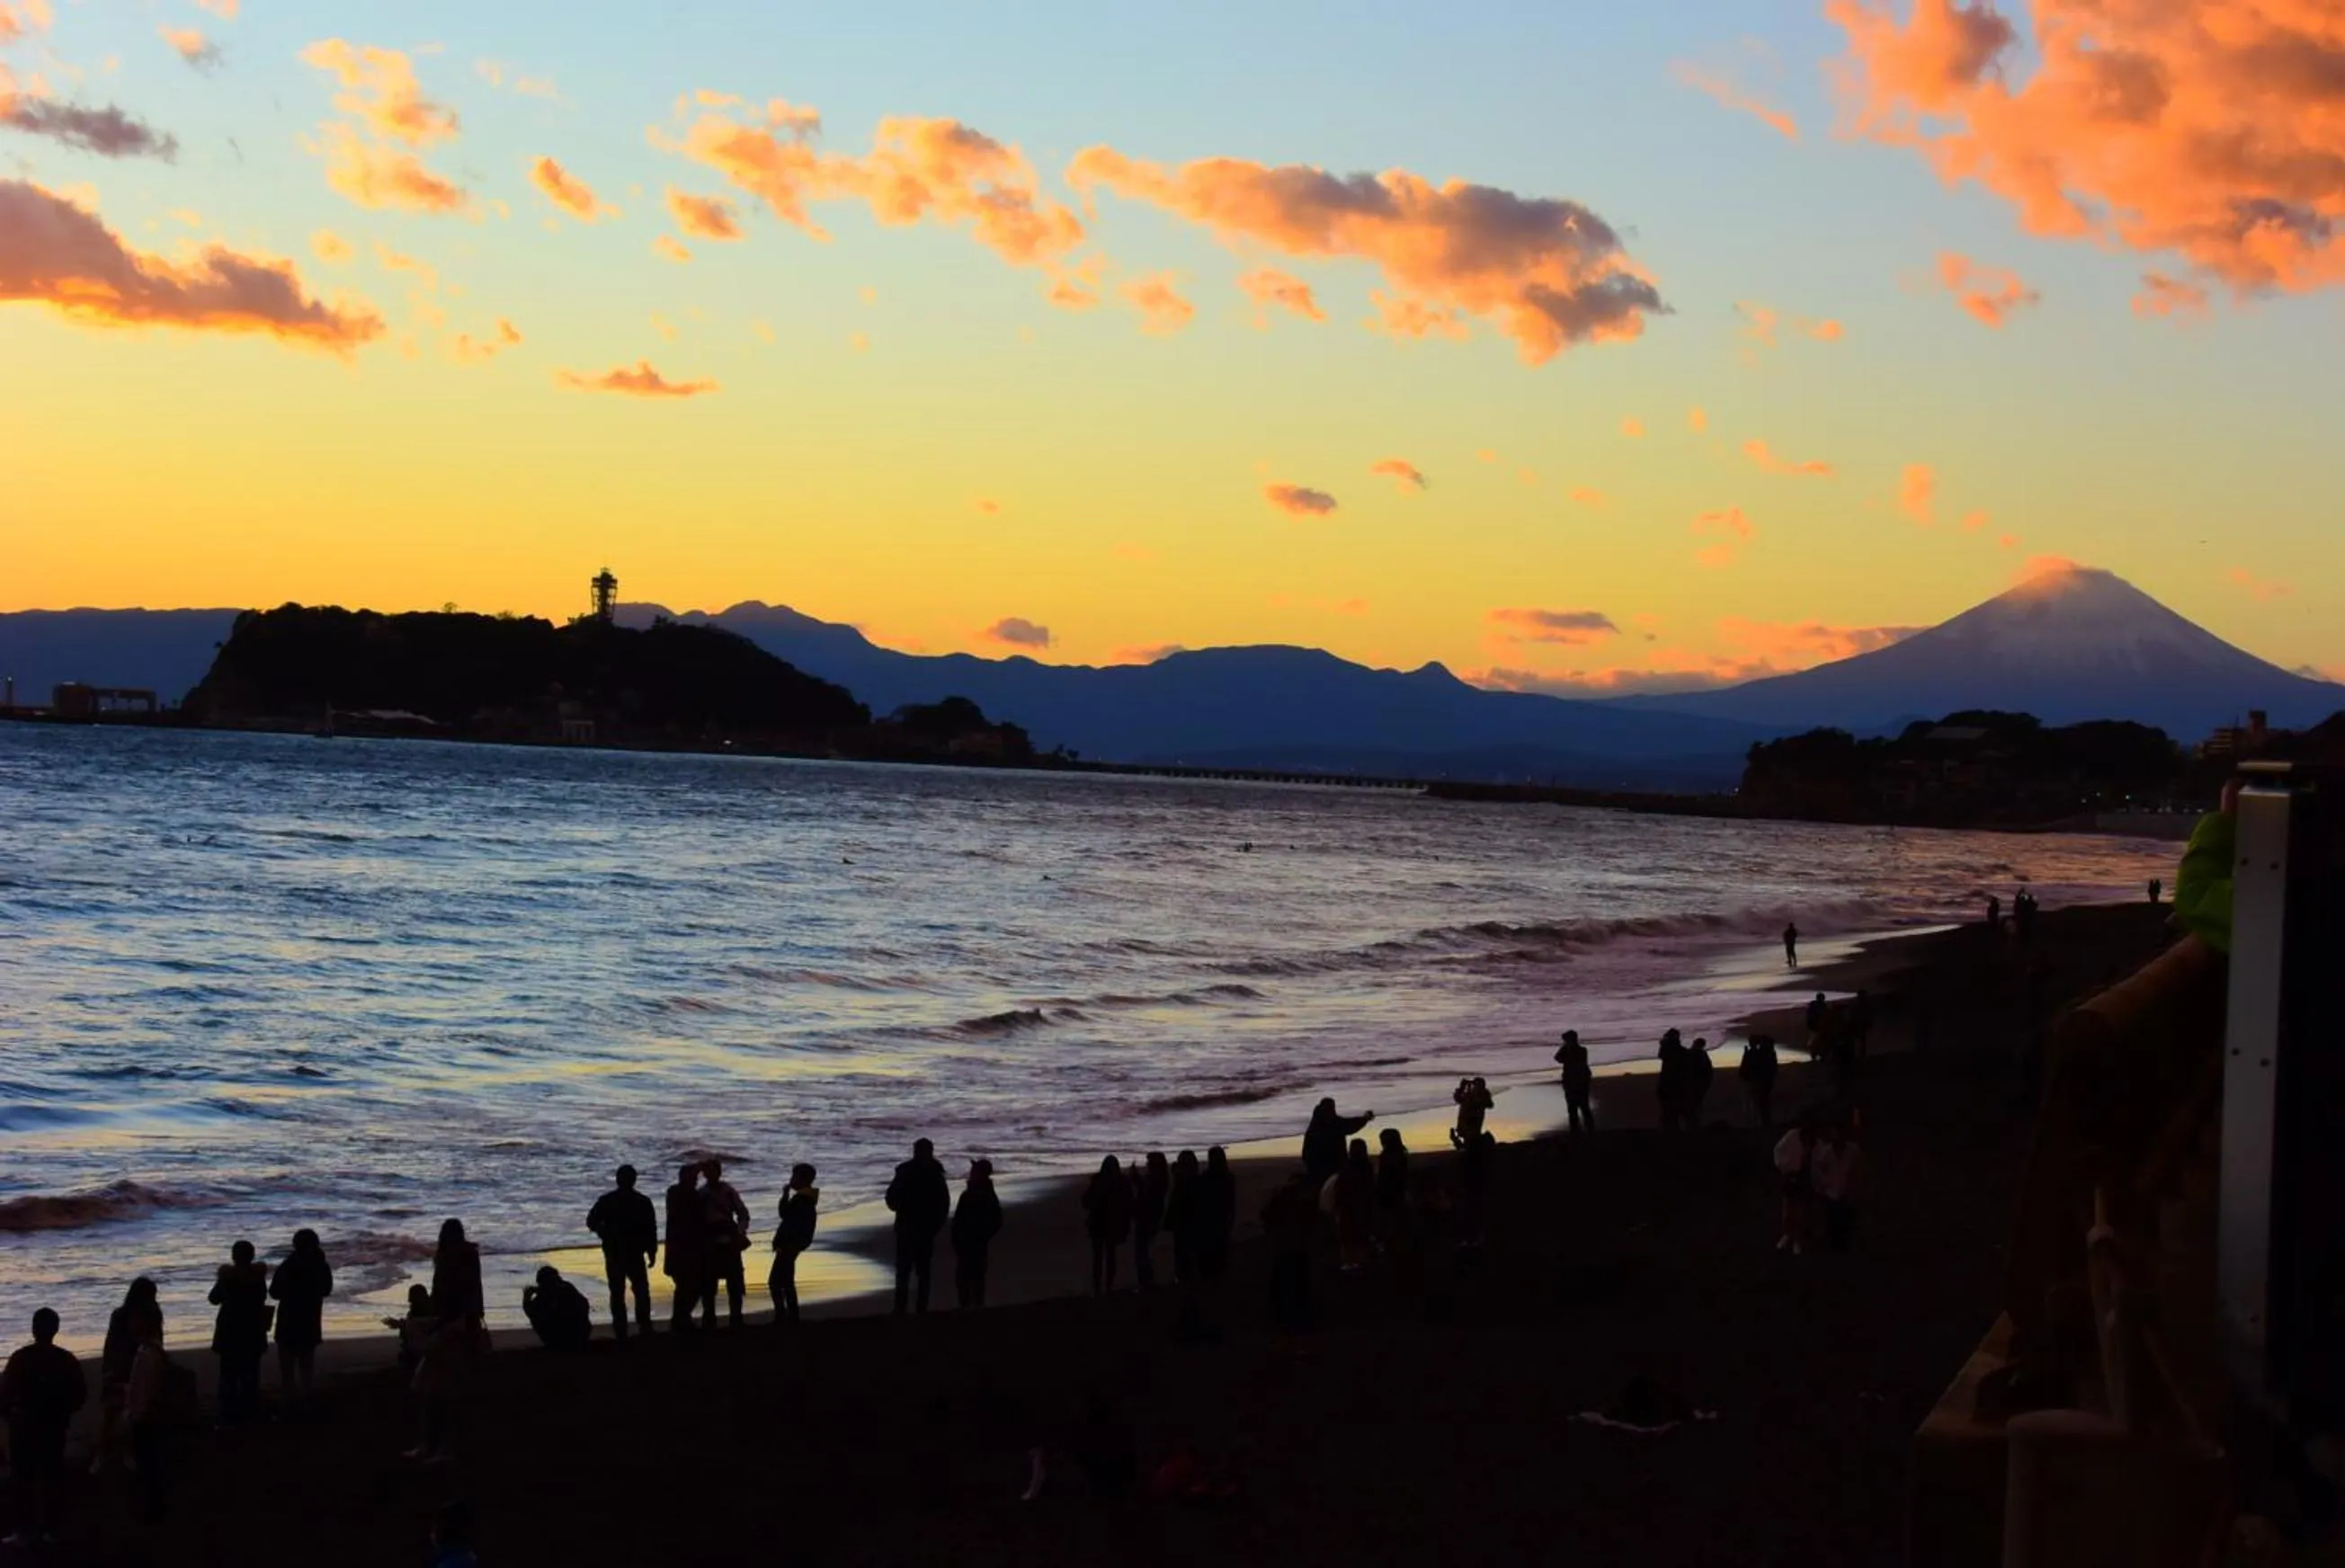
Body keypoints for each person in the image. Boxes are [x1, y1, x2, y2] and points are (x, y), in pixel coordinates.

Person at [2, 1309, 86, 1547]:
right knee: (52, 1477)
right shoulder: (66, 1359)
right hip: (53, 1426)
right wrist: (62, 1411)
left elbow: (5, 1394)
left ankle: (23, 1530)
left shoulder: (20, 1358)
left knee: (22, 1479)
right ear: (56, 1330)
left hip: (24, 1427)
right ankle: (51, 1529)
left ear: (33, 1329)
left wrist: (9, 1415)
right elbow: (79, 1395)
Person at [94, 1276, 162, 1474]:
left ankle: (118, 1453)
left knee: (130, 1412)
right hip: (123, 1364)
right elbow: (112, 1344)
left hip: (137, 1363)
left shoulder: (149, 1314)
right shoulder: (124, 1316)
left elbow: (156, 1340)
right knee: (114, 1413)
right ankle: (106, 1453)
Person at [586, 1163, 658, 1342]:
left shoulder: (608, 1200)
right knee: (639, 1290)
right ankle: (643, 1325)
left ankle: (622, 1329)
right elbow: (651, 1230)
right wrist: (652, 1251)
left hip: (617, 1252)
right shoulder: (642, 1201)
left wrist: (603, 1233)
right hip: (629, 1252)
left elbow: (591, 1221)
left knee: (619, 1291)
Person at [270, 1228, 334, 1412]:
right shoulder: (322, 1266)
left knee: (287, 1366)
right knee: (307, 1364)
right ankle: (307, 1400)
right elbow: (326, 1290)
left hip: (288, 1316)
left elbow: (274, 1293)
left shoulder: (287, 1265)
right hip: (310, 1317)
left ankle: (288, 1401)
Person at [885, 1137, 951, 1315]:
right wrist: (936, 1225)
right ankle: (919, 1308)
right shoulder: (935, 1173)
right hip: (921, 1228)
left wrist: (899, 1207)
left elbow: (891, 1197)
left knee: (905, 1271)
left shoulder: (907, 1171)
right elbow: (943, 1204)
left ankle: (902, 1308)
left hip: (910, 1227)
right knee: (920, 1272)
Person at [209, 1238, 271, 1426]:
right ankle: (250, 1409)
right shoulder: (257, 1277)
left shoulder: (227, 1278)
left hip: (229, 1329)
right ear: (252, 1256)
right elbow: (262, 1297)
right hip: (252, 1328)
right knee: (251, 1372)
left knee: (228, 1372)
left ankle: (228, 1412)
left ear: (233, 1256)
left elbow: (213, 1299)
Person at [1260, 1172, 1319, 1347]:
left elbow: (1267, 1216)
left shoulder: (1284, 1196)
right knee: (1298, 1284)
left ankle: (1283, 1323)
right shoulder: (1305, 1199)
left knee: (1283, 1285)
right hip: (1297, 1247)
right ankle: (1298, 1322)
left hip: (1285, 1247)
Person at [122, 1317, 172, 1524]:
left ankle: (153, 1506)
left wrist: (138, 1411)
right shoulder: (150, 1351)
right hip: (145, 1412)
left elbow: (147, 1387)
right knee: (149, 1461)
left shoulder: (148, 1354)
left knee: (148, 1461)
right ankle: (153, 1503)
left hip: (145, 1414)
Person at [701, 1157, 753, 1330]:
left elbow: (743, 1214)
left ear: (718, 1172)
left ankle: (736, 1319)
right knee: (709, 1285)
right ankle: (709, 1320)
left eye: (712, 1170)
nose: (709, 1174)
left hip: (729, 1240)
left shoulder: (728, 1191)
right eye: (707, 1171)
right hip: (710, 1241)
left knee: (735, 1283)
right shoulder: (701, 1194)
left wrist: (739, 1233)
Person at [947, 1158, 1002, 1309]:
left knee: (970, 1279)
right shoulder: (976, 1192)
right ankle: (973, 1308)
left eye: (974, 1171)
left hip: (973, 1243)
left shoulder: (980, 1194)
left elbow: (996, 1221)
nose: (971, 1173)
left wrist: (981, 1236)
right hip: (968, 1243)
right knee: (969, 1279)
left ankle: (971, 1309)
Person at [664, 1163, 712, 1332]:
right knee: (690, 1286)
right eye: (693, 1177)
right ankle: (681, 1318)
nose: (696, 1181)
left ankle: (680, 1318)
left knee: (685, 1286)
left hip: (680, 1247)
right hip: (687, 1248)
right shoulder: (688, 1195)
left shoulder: (676, 1193)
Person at [770, 1163, 820, 1324]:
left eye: (794, 1177)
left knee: (776, 1281)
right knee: (786, 1280)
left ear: (803, 1179)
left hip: (789, 1244)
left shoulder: (801, 1200)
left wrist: (785, 1195)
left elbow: (784, 1214)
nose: (791, 1180)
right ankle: (790, 1314)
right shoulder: (806, 1199)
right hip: (793, 1244)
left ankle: (783, 1315)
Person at [1083, 1155, 1134, 1297]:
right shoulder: (1122, 1182)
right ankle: (1108, 1286)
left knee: (1097, 1258)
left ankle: (1098, 1289)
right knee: (1110, 1255)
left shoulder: (1098, 1180)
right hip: (1113, 1224)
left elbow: (1086, 1202)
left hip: (1098, 1224)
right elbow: (1128, 1203)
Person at [1814, 1118, 1862, 1252]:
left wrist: (1854, 1191)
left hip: (1848, 1194)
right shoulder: (1825, 1153)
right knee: (1833, 1227)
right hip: (1831, 1195)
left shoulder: (1853, 1151)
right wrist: (1822, 1190)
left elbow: (1857, 1172)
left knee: (1847, 1225)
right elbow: (1818, 1173)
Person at [1301, 1098, 1374, 1186]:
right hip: (1334, 1166)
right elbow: (1350, 1125)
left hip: (1316, 1168)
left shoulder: (1314, 1126)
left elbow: (1305, 1153)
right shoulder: (1334, 1123)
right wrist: (1365, 1118)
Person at [1773, 1119, 1818, 1253]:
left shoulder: (1816, 1142)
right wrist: (1787, 1169)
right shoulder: (1791, 1137)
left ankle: (1797, 1238)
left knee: (1801, 1209)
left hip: (1805, 1178)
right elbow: (1778, 1152)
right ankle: (1788, 1234)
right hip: (1791, 1176)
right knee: (1788, 1208)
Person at [1332, 1138, 1377, 1271]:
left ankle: (1350, 1262)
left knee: (1348, 1235)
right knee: (1361, 1235)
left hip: (1349, 1207)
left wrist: (1338, 1203)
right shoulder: (1367, 1167)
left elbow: (1341, 1189)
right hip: (1363, 1206)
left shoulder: (1346, 1168)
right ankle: (1361, 1262)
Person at [522, 1265, 593, 1350]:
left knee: (537, 1317)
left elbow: (532, 1313)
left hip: (559, 1339)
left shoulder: (545, 1296)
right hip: (580, 1337)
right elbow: (584, 1305)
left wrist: (527, 1298)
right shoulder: (568, 1287)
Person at [432, 1218, 485, 1329]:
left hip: (447, 1304)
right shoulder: (471, 1251)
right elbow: (476, 1282)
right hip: (469, 1304)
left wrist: (434, 1306)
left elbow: (437, 1283)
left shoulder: (443, 1254)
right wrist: (479, 1308)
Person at [1128, 1152, 1170, 1292]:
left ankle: (1146, 1282)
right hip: (1151, 1218)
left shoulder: (1155, 1180)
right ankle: (1146, 1281)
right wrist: (1135, 1177)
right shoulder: (1159, 1178)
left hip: (1147, 1218)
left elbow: (1145, 1195)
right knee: (1143, 1250)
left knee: (1141, 1251)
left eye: (1149, 1162)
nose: (1147, 1164)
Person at [1196, 1146, 1236, 1287]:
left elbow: (1200, 1202)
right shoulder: (1229, 1177)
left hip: (1209, 1220)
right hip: (1221, 1218)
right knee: (1221, 1251)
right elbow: (1232, 1202)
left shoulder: (1204, 1178)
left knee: (1209, 1254)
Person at [1164, 1151, 1202, 1287]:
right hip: (1192, 1221)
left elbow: (1177, 1200)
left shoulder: (1183, 1182)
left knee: (1182, 1251)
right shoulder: (1197, 1181)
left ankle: (1183, 1278)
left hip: (1183, 1221)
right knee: (1188, 1250)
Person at [1373, 1127, 1411, 1252]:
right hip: (1397, 1194)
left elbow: (1383, 1178)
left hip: (1387, 1195)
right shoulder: (1402, 1155)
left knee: (1388, 1224)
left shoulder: (1386, 1157)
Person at [1457, 1129, 1495, 1250]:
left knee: (1473, 1213)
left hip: (1473, 1188)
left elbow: (1465, 1152)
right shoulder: (1483, 1156)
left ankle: (1473, 1242)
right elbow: (1465, 1151)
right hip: (1475, 1188)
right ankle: (1474, 1241)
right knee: (1475, 1213)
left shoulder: (1477, 1158)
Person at [1555, 1029, 1594, 1135]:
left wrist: (1564, 1048)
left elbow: (1557, 1058)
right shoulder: (1582, 1050)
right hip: (1580, 1080)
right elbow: (1558, 1058)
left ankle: (1577, 1131)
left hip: (1574, 1080)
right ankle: (1588, 1130)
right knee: (1582, 1107)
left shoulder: (1570, 1051)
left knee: (1574, 1107)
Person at [1739, 1033, 1779, 1128]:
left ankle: (1756, 1122)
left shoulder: (1757, 1053)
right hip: (1764, 1080)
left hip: (1756, 1079)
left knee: (1755, 1101)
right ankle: (1762, 1121)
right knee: (1761, 1101)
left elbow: (1748, 1066)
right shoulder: (1769, 1053)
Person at [1655, 1029, 1690, 1133]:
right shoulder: (1680, 1050)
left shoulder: (1666, 1048)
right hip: (1677, 1080)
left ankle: (1669, 1127)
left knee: (1668, 1106)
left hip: (1668, 1080)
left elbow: (1661, 1056)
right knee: (1677, 1105)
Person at [1450, 1076, 1494, 1149]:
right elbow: (1457, 1098)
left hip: (1472, 1125)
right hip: (1465, 1124)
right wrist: (1461, 1088)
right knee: (1467, 1139)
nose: (1475, 1087)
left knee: (1470, 1140)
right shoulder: (1469, 1095)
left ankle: (1461, 1144)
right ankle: (1460, 1144)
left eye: (1477, 1085)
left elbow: (1490, 1104)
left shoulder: (1482, 1096)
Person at [1685, 1038, 1716, 1126]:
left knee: (1691, 1103)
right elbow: (1709, 1070)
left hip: (1692, 1082)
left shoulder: (1690, 1053)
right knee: (1697, 1102)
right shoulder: (1702, 1054)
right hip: (1700, 1083)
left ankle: (1692, 1121)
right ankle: (1696, 1120)